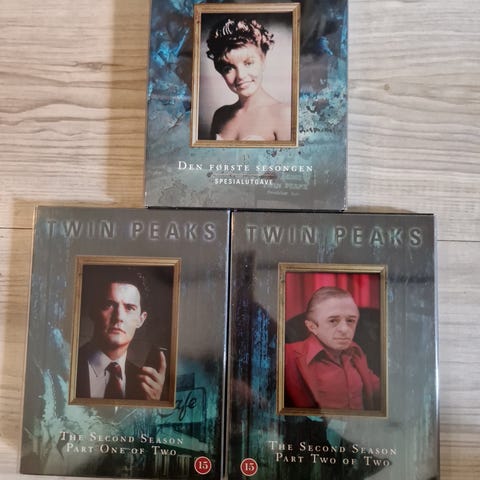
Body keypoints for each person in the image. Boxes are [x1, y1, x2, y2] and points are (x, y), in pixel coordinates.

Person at [76, 267, 167, 401]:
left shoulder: (148, 387)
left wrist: (151, 407)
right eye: (108, 305)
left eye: (129, 308)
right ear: (93, 311)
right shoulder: (64, 367)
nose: (119, 317)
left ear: (141, 319)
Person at [284, 286, 380, 411]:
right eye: (333, 321)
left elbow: (379, 388)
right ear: (312, 327)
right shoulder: (287, 356)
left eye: (350, 320)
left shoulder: (355, 351)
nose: (345, 329)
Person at [206, 17, 291, 141]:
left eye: (248, 63)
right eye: (228, 68)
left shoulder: (284, 115)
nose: (241, 75)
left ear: (263, 60)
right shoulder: (220, 116)